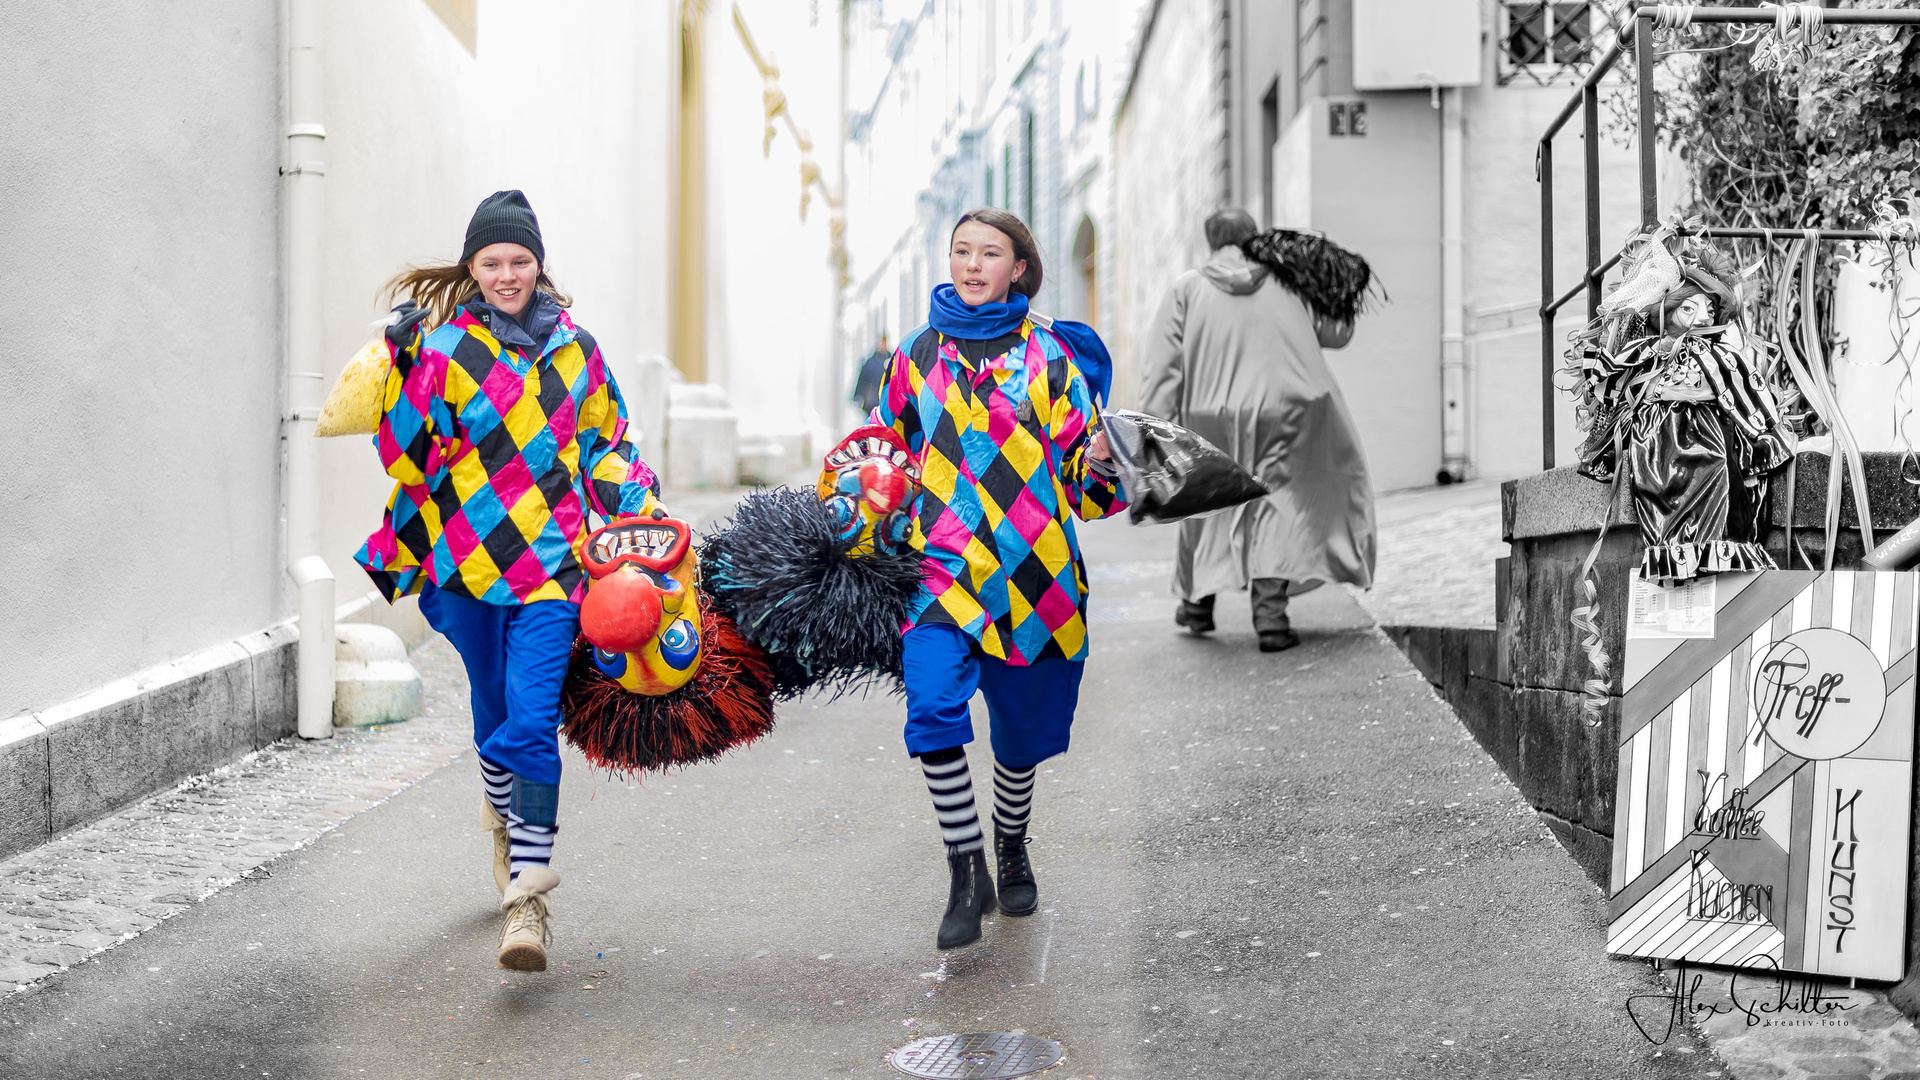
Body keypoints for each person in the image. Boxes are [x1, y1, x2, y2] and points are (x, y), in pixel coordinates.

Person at [354, 190, 662, 972]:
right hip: (465, 566)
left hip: (556, 567)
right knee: (494, 714)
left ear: (538, 263)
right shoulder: (445, 349)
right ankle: (503, 814)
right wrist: (402, 365)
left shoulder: (577, 351)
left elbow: (607, 443)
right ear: (472, 268)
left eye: (520, 260)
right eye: (492, 263)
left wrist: (639, 496)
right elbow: (405, 456)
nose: (507, 274)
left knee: (529, 716)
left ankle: (527, 898)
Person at [862, 208, 1126, 950]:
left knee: (1019, 739)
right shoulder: (915, 355)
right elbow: (888, 453)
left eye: (990, 254)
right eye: (961, 252)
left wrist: (1102, 457)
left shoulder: (1053, 356)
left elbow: (1084, 485)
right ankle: (965, 865)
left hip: (1035, 574)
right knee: (935, 710)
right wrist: (866, 504)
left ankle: (1011, 841)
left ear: (1019, 268)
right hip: (940, 571)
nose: (973, 265)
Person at [1138, 208, 1375, 652]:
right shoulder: (1288, 282)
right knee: (1276, 503)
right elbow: (1337, 334)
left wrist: (1154, 427)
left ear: (1211, 240)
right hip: (1288, 409)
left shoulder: (1186, 289)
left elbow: (1162, 368)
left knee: (1206, 501)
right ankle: (1270, 619)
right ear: (1254, 238)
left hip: (1211, 414)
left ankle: (1196, 606)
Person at [850, 332, 891, 416]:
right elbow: (862, 379)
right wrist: (858, 396)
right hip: (871, 401)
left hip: (887, 401)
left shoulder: (892, 361)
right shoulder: (870, 362)